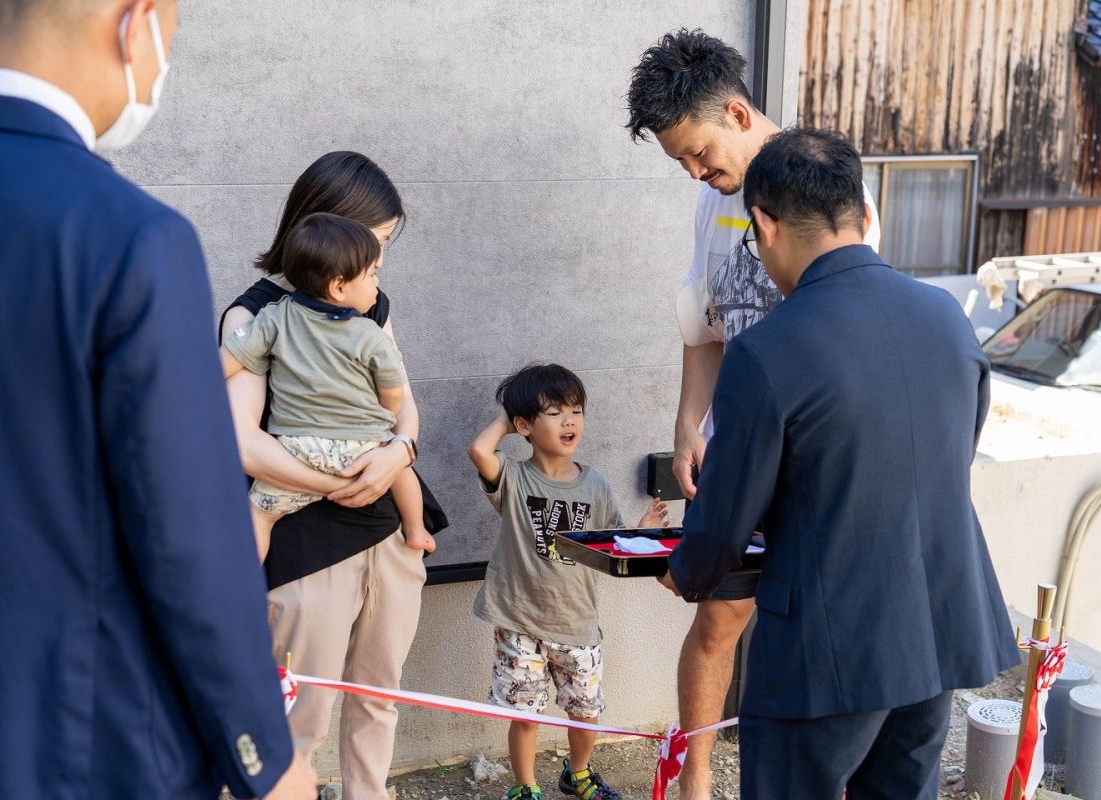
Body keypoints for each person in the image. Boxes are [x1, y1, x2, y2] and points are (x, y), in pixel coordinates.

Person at [0, 1, 315, 798]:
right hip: (75, 740)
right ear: (134, 22)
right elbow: (190, 532)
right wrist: (265, 756)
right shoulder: (127, 238)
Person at [660, 127, 1020, 799]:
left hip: (826, 651)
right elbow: (948, 461)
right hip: (933, 632)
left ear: (764, 225)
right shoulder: (946, 316)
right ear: (861, 212)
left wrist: (686, 569)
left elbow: (728, 515)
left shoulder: (768, 350)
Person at [623, 29, 882, 800]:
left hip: (807, 452)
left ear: (738, 113)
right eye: (683, 165)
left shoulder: (827, 188)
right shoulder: (713, 199)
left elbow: (859, 328)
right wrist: (686, 427)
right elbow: (704, 325)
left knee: (808, 631)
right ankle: (696, 777)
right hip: (736, 446)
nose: (698, 174)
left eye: (700, 153)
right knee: (718, 620)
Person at [220, 151, 440, 799]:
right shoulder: (254, 315)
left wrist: (397, 457)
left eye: (384, 248)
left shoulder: (373, 304)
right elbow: (241, 442)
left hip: (388, 534)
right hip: (305, 544)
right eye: (375, 244)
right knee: (300, 720)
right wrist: (338, 479)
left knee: (379, 701)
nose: (380, 264)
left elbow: (406, 411)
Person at [468, 364, 669, 800]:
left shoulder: (594, 483)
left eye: (576, 410)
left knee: (585, 710)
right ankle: (524, 787)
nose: (570, 421)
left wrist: (642, 529)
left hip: (577, 622)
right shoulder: (515, 478)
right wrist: (507, 418)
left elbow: (611, 543)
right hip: (519, 620)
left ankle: (577, 774)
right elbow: (479, 451)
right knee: (525, 714)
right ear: (525, 425)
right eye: (555, 412)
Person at [222, 212, 435, 560]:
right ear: (338, 285)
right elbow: (395, 391)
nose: (378, 281)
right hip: (362, 448)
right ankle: (416, 530)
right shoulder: (368, 333)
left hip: (297, 451)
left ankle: (245, 581)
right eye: (372, 274)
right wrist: (386, 414)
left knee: (258, 516)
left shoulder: (272, 318)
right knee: (400, 467)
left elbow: (226, 362)